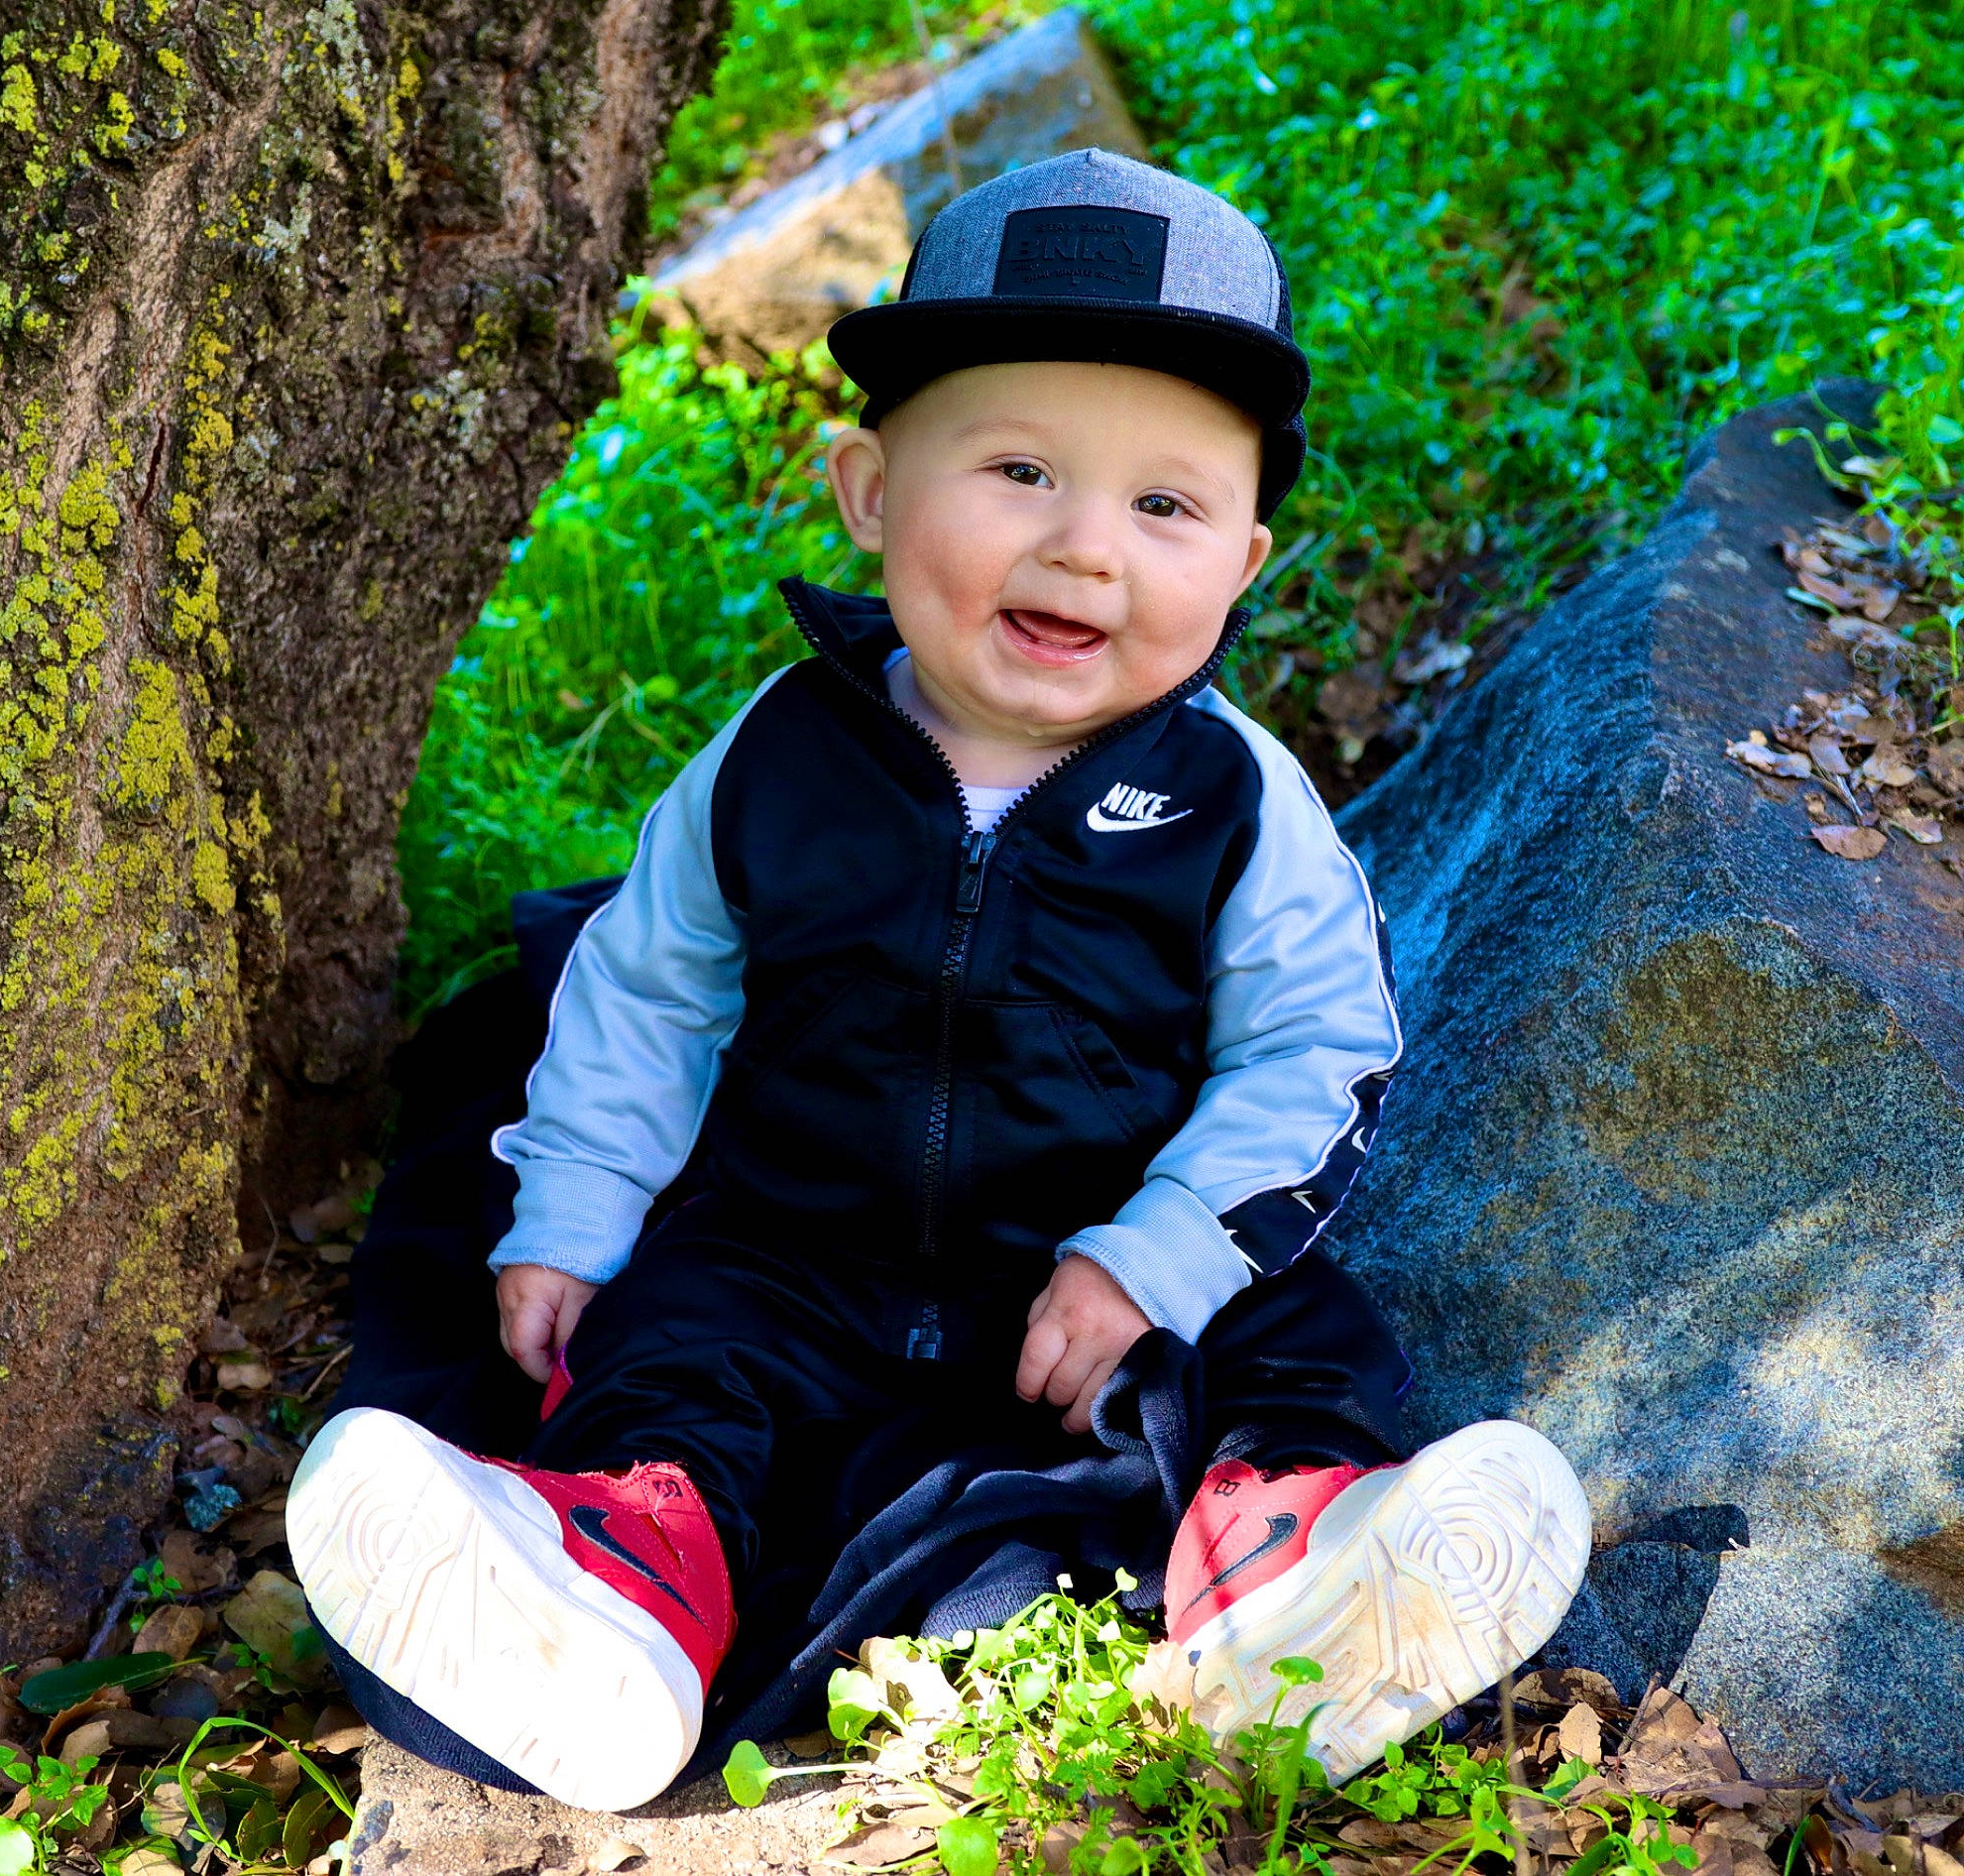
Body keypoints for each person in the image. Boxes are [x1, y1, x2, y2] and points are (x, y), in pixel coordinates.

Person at [289, 149, 1590, 1813]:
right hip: (797, 1244)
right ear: (869, 490)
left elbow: (1320, 1052)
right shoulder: (777, 755)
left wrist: (1155, 1254)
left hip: (1088, 1261)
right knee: (670, 1341)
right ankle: (616, 1583)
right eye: (1022, 470)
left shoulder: (1235, 800)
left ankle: (1286, 1561)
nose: (1084, 549)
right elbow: (643, 990)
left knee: (1284, 1332)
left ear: (1247, 563)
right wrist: (573, 1204)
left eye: (1165, 505)